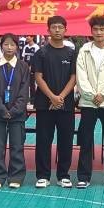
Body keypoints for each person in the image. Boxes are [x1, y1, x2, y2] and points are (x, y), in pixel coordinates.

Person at [75, 15, 104, 189]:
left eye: (102, 29)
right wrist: (91, 95)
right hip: (88, 103)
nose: (99, 32)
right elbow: (81, 75)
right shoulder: (84, 51)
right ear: (91, 31)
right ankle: (83, 177)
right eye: (95, 29)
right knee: (86, 140)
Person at [31, 17, 77, 189]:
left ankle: (63, 175)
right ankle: (43, 176)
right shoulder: (41, 53)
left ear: (65, 30)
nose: (57, 30)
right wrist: (52, 97)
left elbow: (74, 78)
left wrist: (60, 98)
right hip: (45, 104)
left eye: (60, 27)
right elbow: (38, 77)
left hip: (66, 105)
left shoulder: (71, 53)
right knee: (43, 140)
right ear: (48, 30)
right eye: (54, 27)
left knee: (65, 140)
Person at [0, 33, 30, 189]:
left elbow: (25, 91)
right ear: (1, 46)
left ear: (17, 47)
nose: (9, 47)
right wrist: (1, 109)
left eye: (12, 44)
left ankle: (16, 176)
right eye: (6, 44)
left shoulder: (23, 66)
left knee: (17, 146)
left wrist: (14, 110)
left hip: (17, 115)